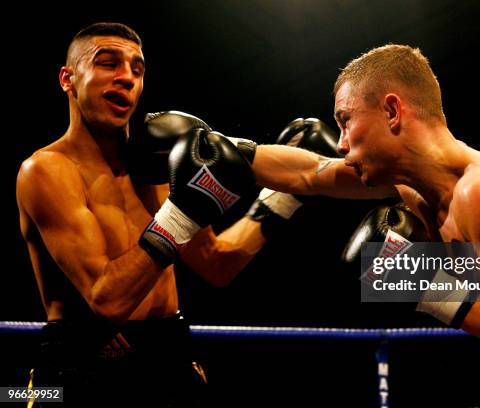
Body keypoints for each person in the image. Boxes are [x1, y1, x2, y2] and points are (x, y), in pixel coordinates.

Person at [220, 44, 480, 406]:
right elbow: (311, 173)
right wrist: (219, 148)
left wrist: (418, 277)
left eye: (346, 120)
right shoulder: (412, 190)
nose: (339, 143)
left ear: (392, 111)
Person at [14, 22, 287, 407]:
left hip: (168, 351)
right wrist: (181, 213)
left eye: (137, 69)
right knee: (11, 398)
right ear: (67, 79)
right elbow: (108, 301)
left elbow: (216, 264)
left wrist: (282, 199)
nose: (126, 77)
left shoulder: (157, 166)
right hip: (76, 363)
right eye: (108, 63)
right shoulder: (46, 170)